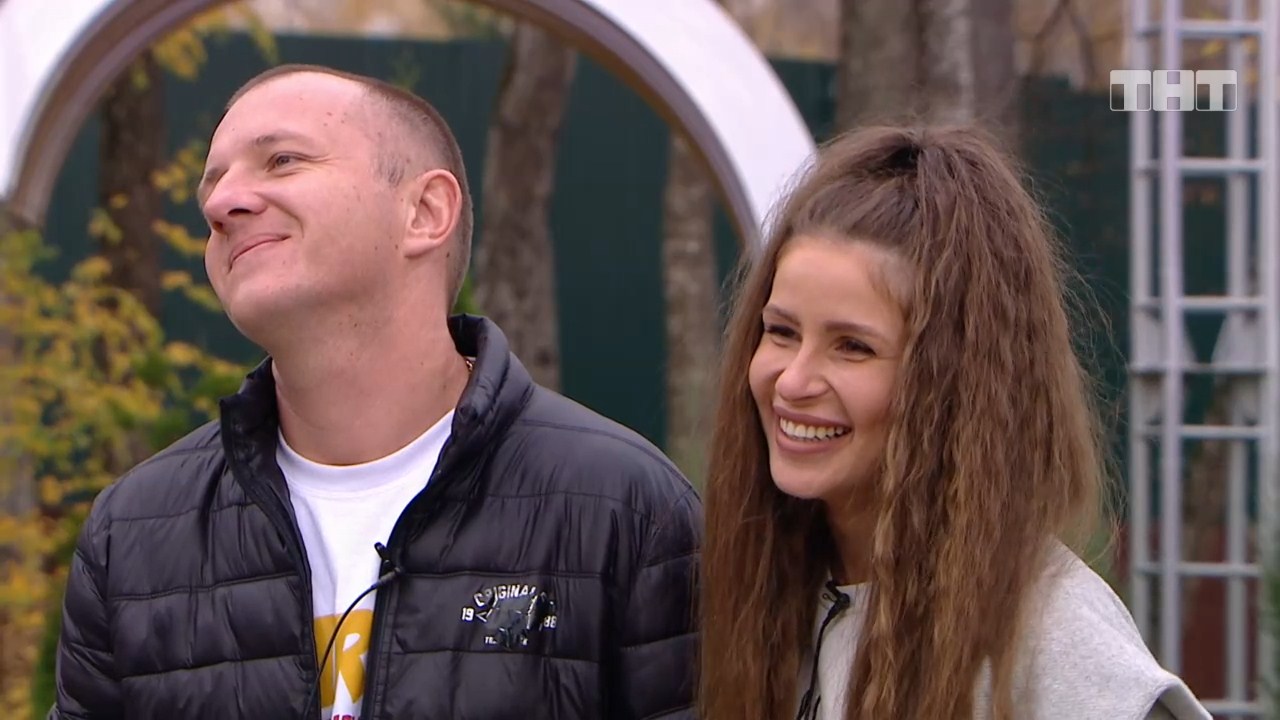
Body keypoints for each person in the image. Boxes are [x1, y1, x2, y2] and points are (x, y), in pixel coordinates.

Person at [50, 63, 700, 720]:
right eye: (211, 187)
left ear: (425, 212)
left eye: (282, 161)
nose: (221, 205)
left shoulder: (625, 510)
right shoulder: (131, 535)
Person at [696, 124, 1210, 720]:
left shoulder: (1050, 639)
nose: (792, 381)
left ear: (953, 382)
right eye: (781, 332)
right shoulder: (771, 594)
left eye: (853, 347)